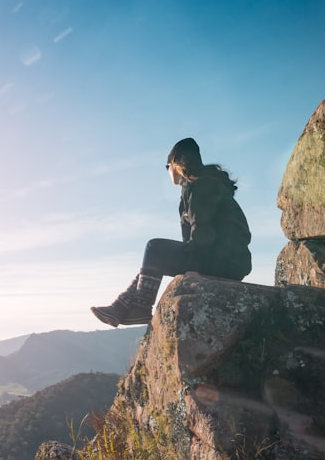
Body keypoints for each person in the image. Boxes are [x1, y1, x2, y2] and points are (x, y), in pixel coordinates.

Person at [91, 138, 252, 327]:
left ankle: (141, 308)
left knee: (155, 248)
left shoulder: (200, 187)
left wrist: (194, 267)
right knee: (155, 257)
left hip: (225, 261)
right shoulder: (200, 186)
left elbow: (203, 231)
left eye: (167, 166)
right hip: (226, 259)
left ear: (175, 164)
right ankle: (121, 307)